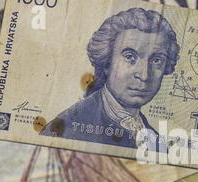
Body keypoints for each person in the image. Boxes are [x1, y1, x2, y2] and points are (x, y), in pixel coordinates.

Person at [41, 8, 180, 149]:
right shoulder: (64, 129)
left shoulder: (156, 142)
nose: (144, 75)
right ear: (107, 62)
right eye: (130, 57)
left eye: (156, 60)